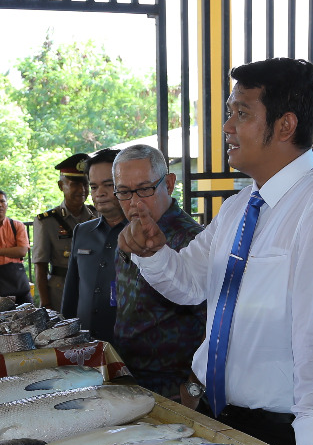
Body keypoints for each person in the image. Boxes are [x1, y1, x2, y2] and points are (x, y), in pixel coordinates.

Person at [119, 57, 313, 445]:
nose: (227, 127)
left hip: (280, 427)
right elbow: (192, 284)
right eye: (229, 113)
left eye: (241, 113)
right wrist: (154, 254)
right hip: (219, 412)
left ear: (285, 126)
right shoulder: (239, 207)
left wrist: (312, 436)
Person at [111, 145, 208, 399]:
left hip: (175, 388)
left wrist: (193, 390)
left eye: (145, 189)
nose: (134, 202)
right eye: (124, 192)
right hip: (130, 378)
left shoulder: (194, 241)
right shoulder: (130, 233)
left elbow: (216, 328)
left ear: (169, 183)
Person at [61, 150, 124, 343]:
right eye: (94, 187)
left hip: (129, 345)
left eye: (108, 185)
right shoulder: (82, 231)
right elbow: (71, 291)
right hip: (85, 344)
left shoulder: (144, 234)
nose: (99, 193)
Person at [34, 153, 96, 311]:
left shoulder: (98, 216)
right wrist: (45, 303)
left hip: (93, 289)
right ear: (61, 186)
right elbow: (40, 267)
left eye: (86, 184)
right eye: (75, 184)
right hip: (60, 292)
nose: (82, 190)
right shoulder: (47, 222)